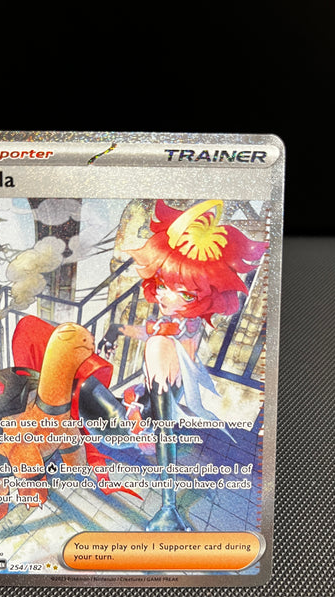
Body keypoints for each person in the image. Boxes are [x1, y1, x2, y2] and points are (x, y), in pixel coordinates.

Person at [99, 199, 268, 531]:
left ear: (202, 296)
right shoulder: (175, 322)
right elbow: (152, 329)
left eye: (184, 293)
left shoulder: (175, 332)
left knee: (156, 429)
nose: (165, 296)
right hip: (149, 394)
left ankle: (168, 509)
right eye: (162, 285)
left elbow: (162, 336)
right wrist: (117, 330)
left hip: (157, 395)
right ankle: (164, 497)